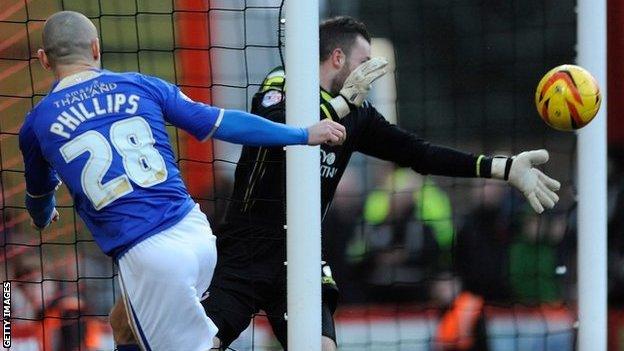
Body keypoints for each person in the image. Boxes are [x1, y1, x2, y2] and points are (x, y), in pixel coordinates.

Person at [111, 16, 561, 350]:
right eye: (365, 61)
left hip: (301, 256)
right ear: (338, 57)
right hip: (245, 251)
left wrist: (504, 168)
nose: (371, 72)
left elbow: (420, 154)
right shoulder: (281, 84)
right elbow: (272, 124)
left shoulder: (359, 114)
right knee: (200, 345)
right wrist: (341, 105)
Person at [19, 11, 345, 351]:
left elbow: (38, 197)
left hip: (150, 257)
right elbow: (223, 123)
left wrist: (44, 214)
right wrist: (301, 134)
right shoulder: (142, 85)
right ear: (96, 48)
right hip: (197, 234)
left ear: (43, 59)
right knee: (124, 325)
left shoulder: (37, 123)